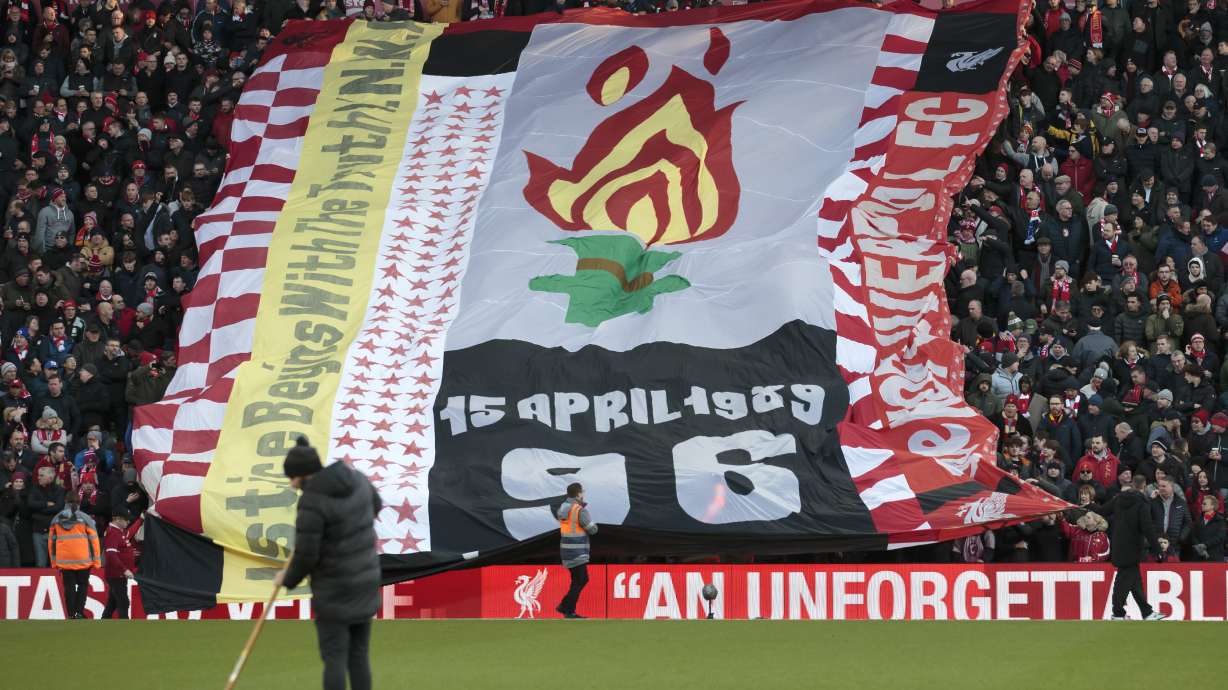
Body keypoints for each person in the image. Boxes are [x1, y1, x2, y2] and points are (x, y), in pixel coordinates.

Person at [274, 438, 380, 690]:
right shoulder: (358, 479)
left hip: (335, 589)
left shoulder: (311, 501)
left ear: (303, 475)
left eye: (292, 477)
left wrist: (286, 578)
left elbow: (306, 555)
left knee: (334, 658)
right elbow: (377, 505)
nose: (291, 484)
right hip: (365, 582)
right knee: (358, 655)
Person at [1102, 476, 1166, 620]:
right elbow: (1147, 527)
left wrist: (1089, 506)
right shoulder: (1142, 502)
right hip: (1132, 547)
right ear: (1143, 486)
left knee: (1134, 581)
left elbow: (1103, 510)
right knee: (1123, 581)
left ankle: (1147, 612)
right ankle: (1118, 613)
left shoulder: (1118, 499)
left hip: (1118, 544)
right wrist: (1158, 550)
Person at [47, 495, 101, 619]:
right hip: (83, 559)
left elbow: (51, 542)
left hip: (64, 560)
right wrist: (97, 561)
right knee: (83, 585)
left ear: (65, 502)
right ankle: (80, 613)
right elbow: (94, 541)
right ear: (79, 502)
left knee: (69, 587)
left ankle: (71, 614)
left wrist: (54, 562)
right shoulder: (85, 518)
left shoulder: (56, 519)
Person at [556, 482, 597, 619]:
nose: (583, 494)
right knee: (582, 579)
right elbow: (592, 529)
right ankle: (565, 606)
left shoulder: (563, 508)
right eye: (582, 492)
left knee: (577, 580)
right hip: (578, 550)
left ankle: (569, 611)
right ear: (579, 494)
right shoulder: (579, 510)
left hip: (566, 550)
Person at [101, 509, 136, 618]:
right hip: (116, 574)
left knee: (113, 602)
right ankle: (125, 625)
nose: (128, 522)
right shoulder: (113, 532)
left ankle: (104, 622)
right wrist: (124, 569)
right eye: (126, 520)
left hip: (118, 574)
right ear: (118, 519)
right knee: (123, 601)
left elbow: (118, 550)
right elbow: (111, 554)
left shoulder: (118, 531)